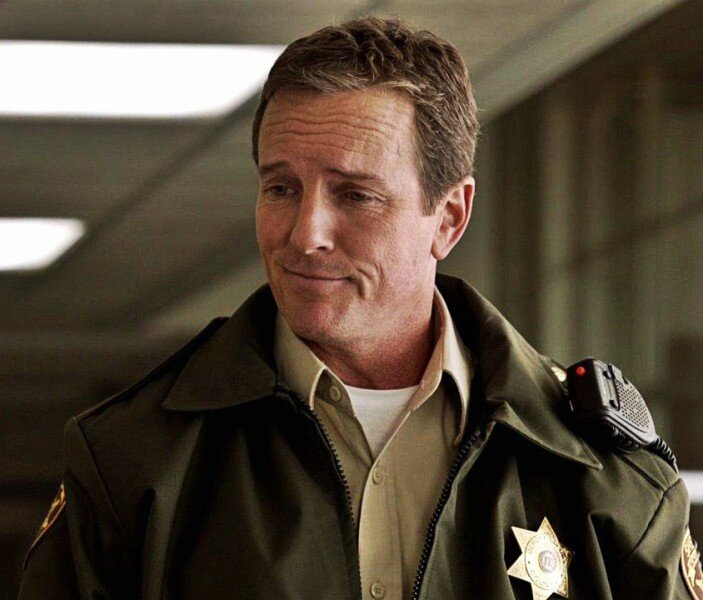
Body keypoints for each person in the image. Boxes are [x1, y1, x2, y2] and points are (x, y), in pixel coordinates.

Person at [19, 16, 701, 600]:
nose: (304, 234)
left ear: (449, 217)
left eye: (355, 195)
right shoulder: (136, 459)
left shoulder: (603, 475)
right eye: (281, 188)